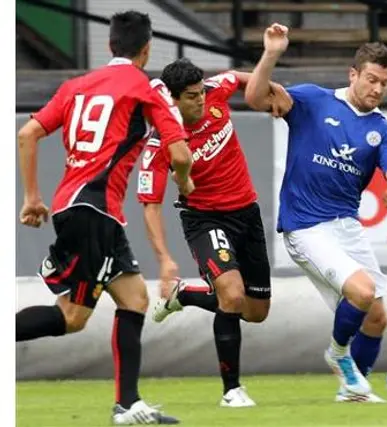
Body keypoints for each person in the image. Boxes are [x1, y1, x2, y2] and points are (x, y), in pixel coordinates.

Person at [15, 11, 194, 424]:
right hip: (93, 210)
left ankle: (127, 405)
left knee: (135, 299)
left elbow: (27, 134)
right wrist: (183, 183)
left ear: (111, 45)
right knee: (73, 317)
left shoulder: (75, 86)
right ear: (147, 49)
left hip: (83, 208)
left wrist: (32, 198)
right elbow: (180, 153)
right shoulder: (146, 88)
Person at [244, 24, 387, 402]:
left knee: (377, 318)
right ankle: (338, 354)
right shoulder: (312, 100)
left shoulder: (382, 131)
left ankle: (352, 391)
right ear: (353, 74)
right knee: (362, 291)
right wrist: (272, 54)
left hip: (346, 227)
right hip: (305, 226)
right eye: (372, 80)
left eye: (385, 84)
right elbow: (256, 97)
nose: (377, 89)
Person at [137, 57, 292, 407]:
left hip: (247, 213)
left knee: (255, 312)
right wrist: (164, 259)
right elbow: (151, 205)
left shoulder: (214, 92)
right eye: (192, 96)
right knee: (232, 296)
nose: (201, 100)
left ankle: (186, 295)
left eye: (201, 92)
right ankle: (231, 390)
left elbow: (237, 77)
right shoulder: (161, 143)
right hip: (205, 220)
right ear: (173, 100)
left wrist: (273, 87)